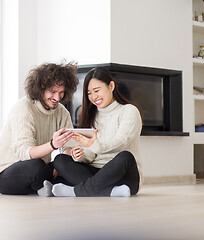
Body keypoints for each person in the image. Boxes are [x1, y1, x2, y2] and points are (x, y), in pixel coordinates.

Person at [0, 62, 79, 196]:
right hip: (8, 173)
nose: (57, 98)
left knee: (71, 167)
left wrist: (62, 161)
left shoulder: (62, 112)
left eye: (61, 93)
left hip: (41, 167)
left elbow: (69, 147)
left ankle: (46, 187)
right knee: (37, 167)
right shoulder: (23, 108)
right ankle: (49, 187)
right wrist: (53, 145)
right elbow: (25, 154)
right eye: (52, 92)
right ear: (40, 88)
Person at [51, 67, 143, 197]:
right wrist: (80, 155)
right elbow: (91, 155)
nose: (93, 97)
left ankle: (75, 191)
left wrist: (94, 144)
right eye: (89, 93)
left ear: (111, 86)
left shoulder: (129, 111)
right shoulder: (91, 115)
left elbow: (121, 142)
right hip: (97, 173)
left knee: (125, 157)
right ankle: (111, 191)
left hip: (123, 176)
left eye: (96, 90)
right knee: (60, 160)